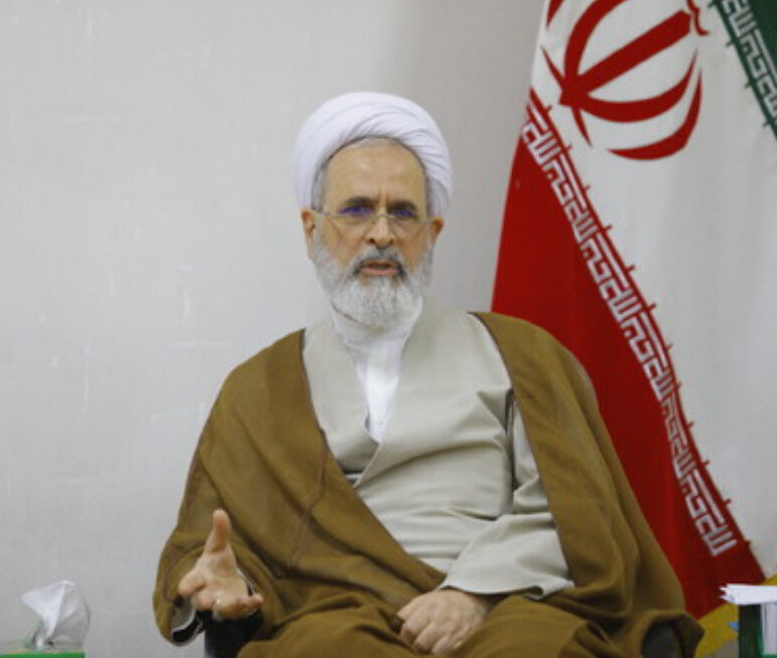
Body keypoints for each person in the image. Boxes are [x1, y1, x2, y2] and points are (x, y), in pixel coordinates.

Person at [153, 92, 702, 657]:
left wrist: (474, 591)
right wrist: (227, 582)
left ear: (433, 231)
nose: (382, 234)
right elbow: (209, 542)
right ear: (310, 228)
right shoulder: (260, 387)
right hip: (338, 615)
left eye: (403, 212)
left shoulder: (521, 355)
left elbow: (572, 514)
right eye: (357, 209)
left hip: (506, 606)